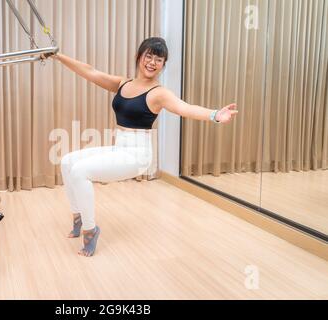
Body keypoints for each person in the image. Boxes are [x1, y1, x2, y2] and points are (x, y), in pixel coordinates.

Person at [43, 37, 238, 257]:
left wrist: (215, 115)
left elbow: (185, 108)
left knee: (80, 171)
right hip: (120, 149)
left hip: (138, 156)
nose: (152, 62)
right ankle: (77, 217)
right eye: (149, 56)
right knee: (67, 161)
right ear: (139, 57)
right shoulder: (123, 84)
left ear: (163, 65)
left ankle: (91, 230)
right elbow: (90, 72)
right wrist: (58, 56)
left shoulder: (159, 93)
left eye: (159, 59)